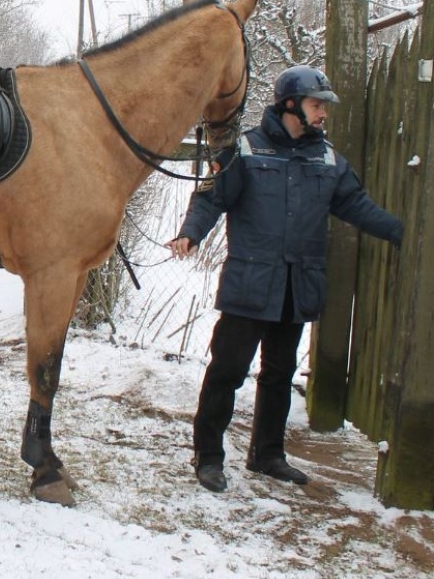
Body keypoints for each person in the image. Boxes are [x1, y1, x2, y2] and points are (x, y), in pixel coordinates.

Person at [165, 64, 403, 493]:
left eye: (324, 107)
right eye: (316, 105)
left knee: (279, 374)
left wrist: (402, 233)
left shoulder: (326, 158)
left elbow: (358, 206)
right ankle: (209, 456)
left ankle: (268, 455)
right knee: (228, 371)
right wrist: (190, 233)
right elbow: (211, 197)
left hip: (297, 287)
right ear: (291, 104)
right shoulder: (247, 150)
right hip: (250, 285)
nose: (323, 114)